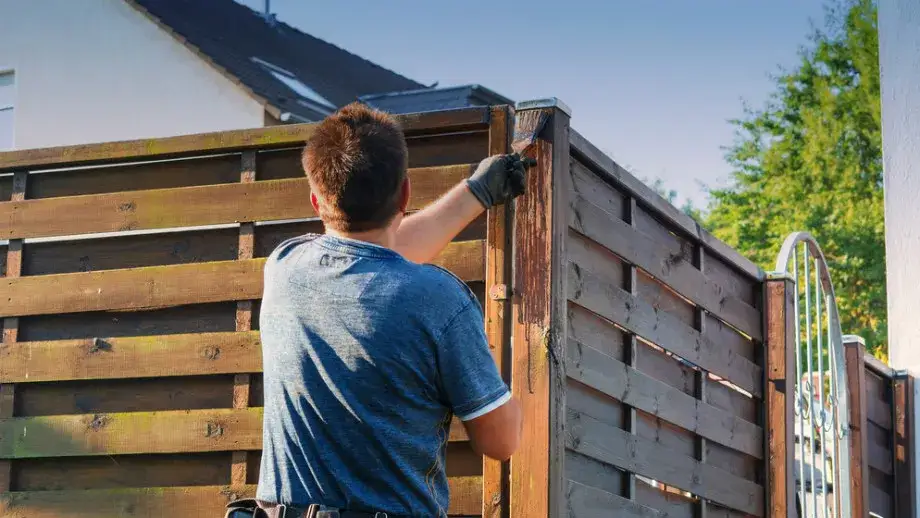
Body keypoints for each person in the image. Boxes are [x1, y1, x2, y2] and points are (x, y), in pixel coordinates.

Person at [253, 103, 529, 518]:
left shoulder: (284, 268)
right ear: (405, 193)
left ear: (315, 200)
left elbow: (370, 261)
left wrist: (476, 194)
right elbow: (500, 442)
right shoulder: (440, 301)